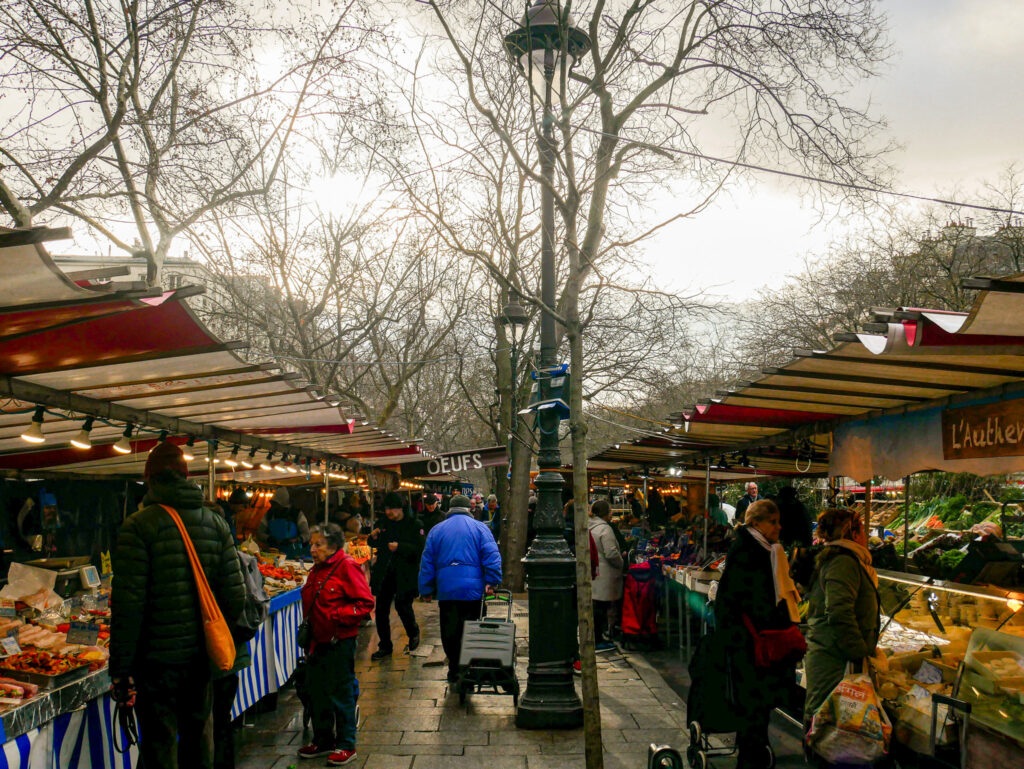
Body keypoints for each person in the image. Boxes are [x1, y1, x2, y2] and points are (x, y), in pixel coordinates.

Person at [111, 440, 246, 769]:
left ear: (151, 480)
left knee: (160, 743)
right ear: (186, 477)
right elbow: (236, 595)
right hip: (202, 658)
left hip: (156, 663)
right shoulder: (216, 523)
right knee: (199, 737)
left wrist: (121, 671)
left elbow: (128, 606)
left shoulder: (139, 526)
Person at [714, 500, 802, 769]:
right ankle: (752, 757)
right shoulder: (750, 551)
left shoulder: (766, 549)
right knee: (754, 701)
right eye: (772, 522)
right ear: (756, 524)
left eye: (778, 521)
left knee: (757, 701)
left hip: (754, 640)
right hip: (749, 642)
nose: (778, 527)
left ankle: (754, 752)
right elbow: (742, 600)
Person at [297, 524, 375, 765]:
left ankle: (346, 744)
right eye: (312, 544)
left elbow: (365, 602)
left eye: (318, 544)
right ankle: (323, 740)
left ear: (332, 546)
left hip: (338, 641)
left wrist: (336, 617)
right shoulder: (317, 569)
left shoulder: (347, 567)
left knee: (340, 693)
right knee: (317, 691)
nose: (312, 549)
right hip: (316, 642)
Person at [804, 508, 880, 724]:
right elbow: (839, 611)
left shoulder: (841, 558)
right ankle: (818, 755)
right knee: (825, 721)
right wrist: (859, 652)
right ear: (854, 534)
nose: (866, 536)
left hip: (832, 652)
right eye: (863, 531)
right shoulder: (843, 562)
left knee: (828, 717)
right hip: (834, 658)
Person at [418, 494, 502, 683]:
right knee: (471, 628)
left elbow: (427, 562)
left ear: (449, 509)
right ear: (469, 509)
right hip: (473, 591)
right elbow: (492, 554)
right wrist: (492, 581)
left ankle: (455, 668)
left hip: (447, 590)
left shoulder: (436, 530)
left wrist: (426, 589)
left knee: (450, 631)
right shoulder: (480, 528)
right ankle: (469, 666)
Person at [368, 492, 424, 660]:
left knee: (403, 606)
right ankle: (385, 645)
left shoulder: (414, 524)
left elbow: (420, 549)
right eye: (386, 509)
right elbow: (373, 543)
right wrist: (373, 538)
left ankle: (413, 632)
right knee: (381, 611)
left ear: (401, 509)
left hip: (405, 574)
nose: (388, 513)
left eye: (391, 509)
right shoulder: (383, 524)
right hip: (384, 572)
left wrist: (400, 547)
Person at [588, 499, 624, 651]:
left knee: (598, 608)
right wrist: (621, 562)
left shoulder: (591, 527)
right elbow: (611, 553)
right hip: (605, 574)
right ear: (605, 513)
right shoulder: (605, 529)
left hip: (596, 573)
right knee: (601, 609)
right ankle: (599, 639)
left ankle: (597, 637)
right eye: (610, 511)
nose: (611, 514)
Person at [256, 487, 310, 558]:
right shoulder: (269, 514)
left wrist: (295, 540)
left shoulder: (296, 514)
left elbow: (307, 535)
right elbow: (260, 533)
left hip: (293, 554)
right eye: (274, 504)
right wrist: (268, 538)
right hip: (273, 553)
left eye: (277, 504)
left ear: (282, 504)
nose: (275, 507)